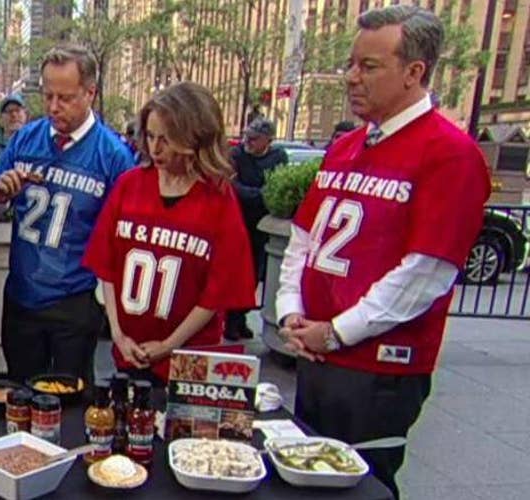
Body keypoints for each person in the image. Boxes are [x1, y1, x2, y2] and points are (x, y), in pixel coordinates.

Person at [276, 6, 490, 498]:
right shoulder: (346, 147)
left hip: (378, 368)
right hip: (317, 354)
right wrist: (291, 312)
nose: (351, 77)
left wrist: (337, 332)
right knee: (306, 482)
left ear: (414, 72)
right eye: (351, 64)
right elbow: (303, 239)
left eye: (369, 66)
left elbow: (425, 273)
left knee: (361, 486)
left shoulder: (450, 154)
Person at [82, 82, 256, 385]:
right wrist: (118, 335)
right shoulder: (129, 185)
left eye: (166, 139)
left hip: (188, 361)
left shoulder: (217, 199)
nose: (155, 148)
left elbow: (217, 292)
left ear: (192, 137)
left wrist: (169, 345)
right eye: (150, 136)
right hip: (129, 351)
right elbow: (106, 267)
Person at [0, 44, 136, 382]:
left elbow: (120, 239)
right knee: (19, 391)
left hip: (75, 298)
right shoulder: (26, 139)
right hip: (21, 293)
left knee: (70, 397)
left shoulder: (113, 156)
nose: (53, 107)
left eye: (65, 98)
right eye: (47, 95)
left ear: (90, 93)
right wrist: (0, 194)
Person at [225, 117, 287, 340]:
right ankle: (231, 321)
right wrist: (257, 194)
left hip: (261, 227)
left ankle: (240, 317)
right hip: (237, 222)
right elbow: (232, 186)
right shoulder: (236, 155)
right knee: (235, 275)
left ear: (267, 140)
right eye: (246, 137)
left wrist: (251, 193)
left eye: (253, 138)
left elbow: (273, 190)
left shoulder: (278, 157)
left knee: (253, 276)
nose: (247, 142)